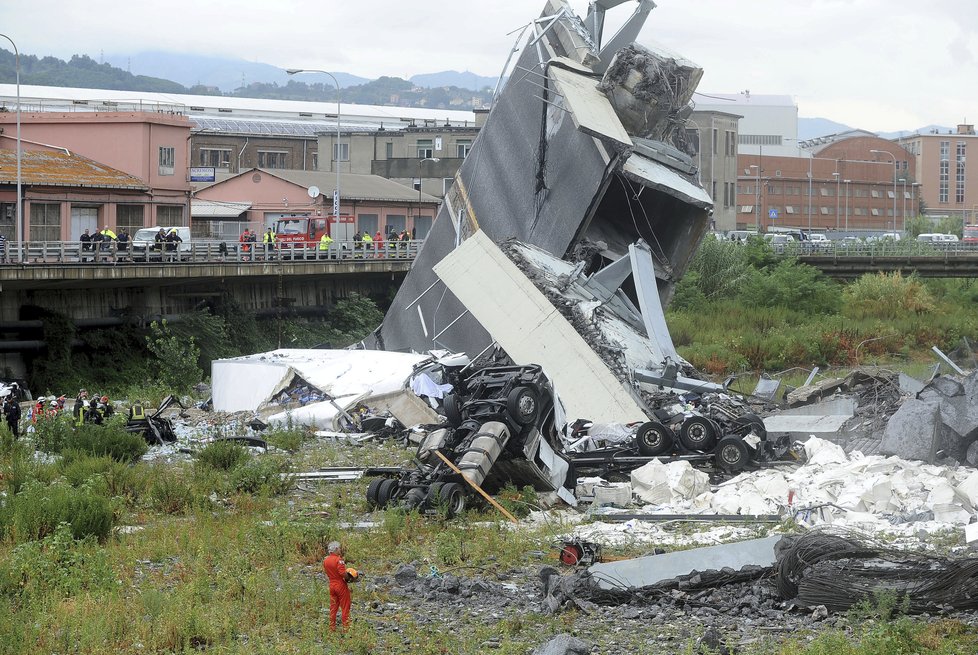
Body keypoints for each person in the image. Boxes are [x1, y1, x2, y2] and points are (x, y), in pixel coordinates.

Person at [323, 541, 357, 631]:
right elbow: (342, 572)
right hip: (340, 584)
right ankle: (346, 628)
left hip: (331, 584)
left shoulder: (325, 560)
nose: (340, 550)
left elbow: (327, 572)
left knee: (333, 607)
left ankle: (331, 627)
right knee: (345, 606)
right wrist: (349, 578)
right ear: (336, 549)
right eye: (339, 548)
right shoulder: (339, 560)